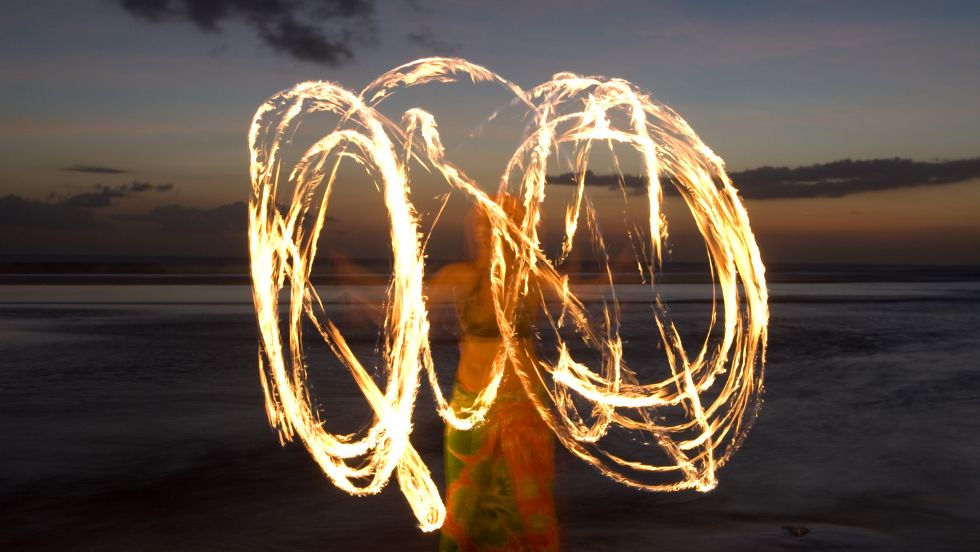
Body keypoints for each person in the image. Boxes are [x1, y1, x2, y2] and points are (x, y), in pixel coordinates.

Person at [428, 197, 559, 552]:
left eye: (501, 221)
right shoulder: (460, 277)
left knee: (528, 513)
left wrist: (621, 270)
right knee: (464, 510)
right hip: (470, 408)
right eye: (483, 221)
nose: (488, 228)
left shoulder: (531, 281)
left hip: (522, 408)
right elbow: (408, 304)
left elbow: (583, 299)